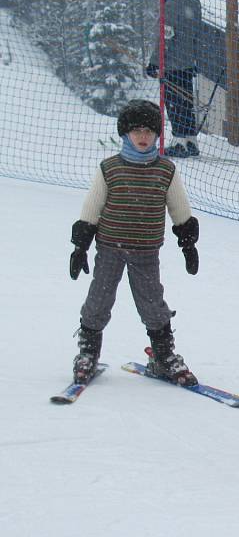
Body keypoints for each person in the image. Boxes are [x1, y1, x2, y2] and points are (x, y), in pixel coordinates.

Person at [68, 99, 200, 386]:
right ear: (125, 133)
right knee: (99, 300)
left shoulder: (166, 170)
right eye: (137, 130)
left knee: (152, 303)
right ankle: (88, 352)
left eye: (150, 131)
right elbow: (92, 208)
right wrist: (81, 246)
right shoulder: (110, 168)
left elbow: (179, 208)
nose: (143, 137)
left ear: (157, 135)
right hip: (110, 248)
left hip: (146, 251)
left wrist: (188, 243)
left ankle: (163, 355)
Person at [146, 0, 203, 158]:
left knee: (174, 103)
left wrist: (155, 62)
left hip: (172, 64)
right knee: (186, 101)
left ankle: (179, 142)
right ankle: (190, 141)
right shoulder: (194, 2)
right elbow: (196, 34)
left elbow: (165, 36)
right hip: (188, 64)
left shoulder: (171, 4)